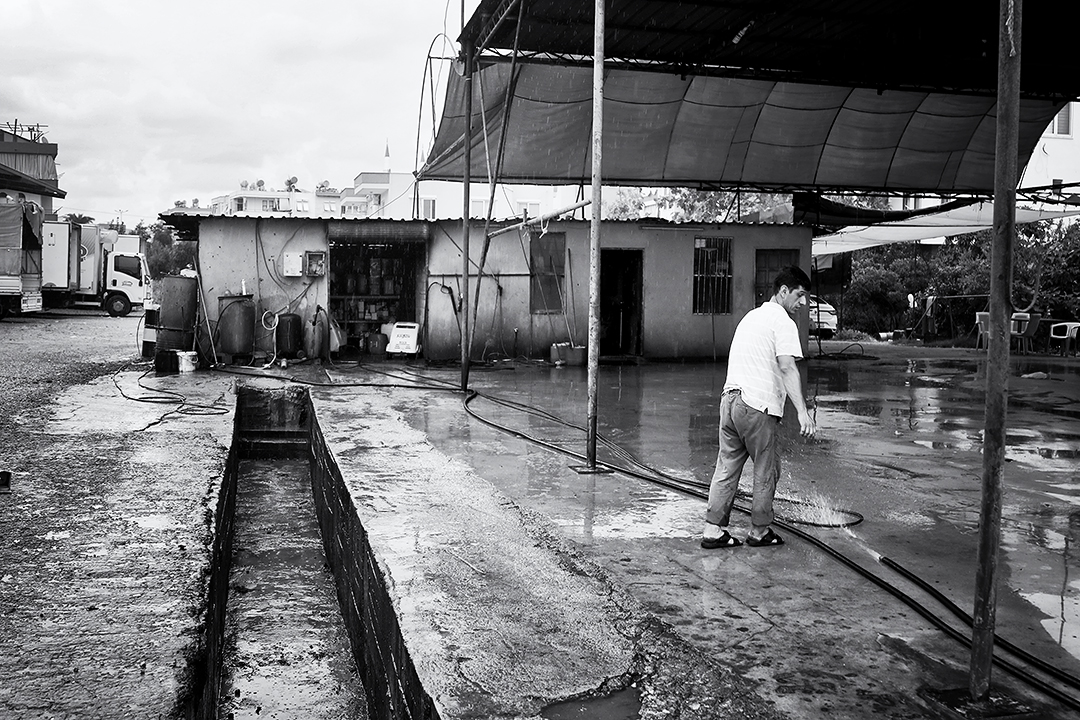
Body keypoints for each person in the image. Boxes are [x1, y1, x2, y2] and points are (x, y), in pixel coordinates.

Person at [701, 265, 816, 549]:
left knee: (726, 467)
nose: (802, 304)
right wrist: (802, 412)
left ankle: (713, 531)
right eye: (799, 296)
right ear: (783, 291)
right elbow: (787, 367)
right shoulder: (783, 322)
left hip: (729, 401)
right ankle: (760, 531)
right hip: (757, 406)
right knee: (767, 469)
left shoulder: (751, 317)